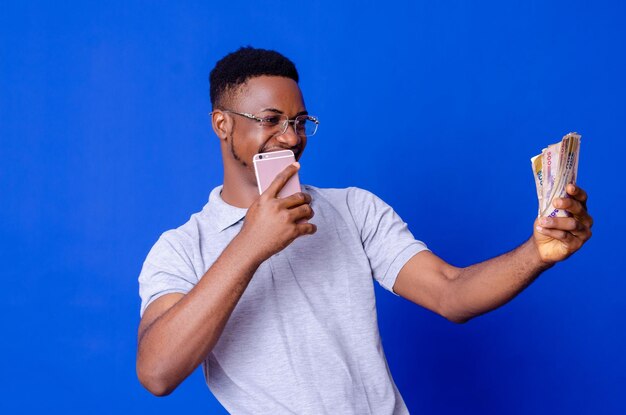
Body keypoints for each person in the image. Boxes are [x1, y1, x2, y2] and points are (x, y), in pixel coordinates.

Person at [136, 47, 593, 414]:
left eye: (299, 123)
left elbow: (451, 294)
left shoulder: (353, 209)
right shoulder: (181, 248)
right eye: (271, 120)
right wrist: (250, 245)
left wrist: (536, 252)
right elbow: (157, 372)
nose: (292, 138)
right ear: (222, 124)